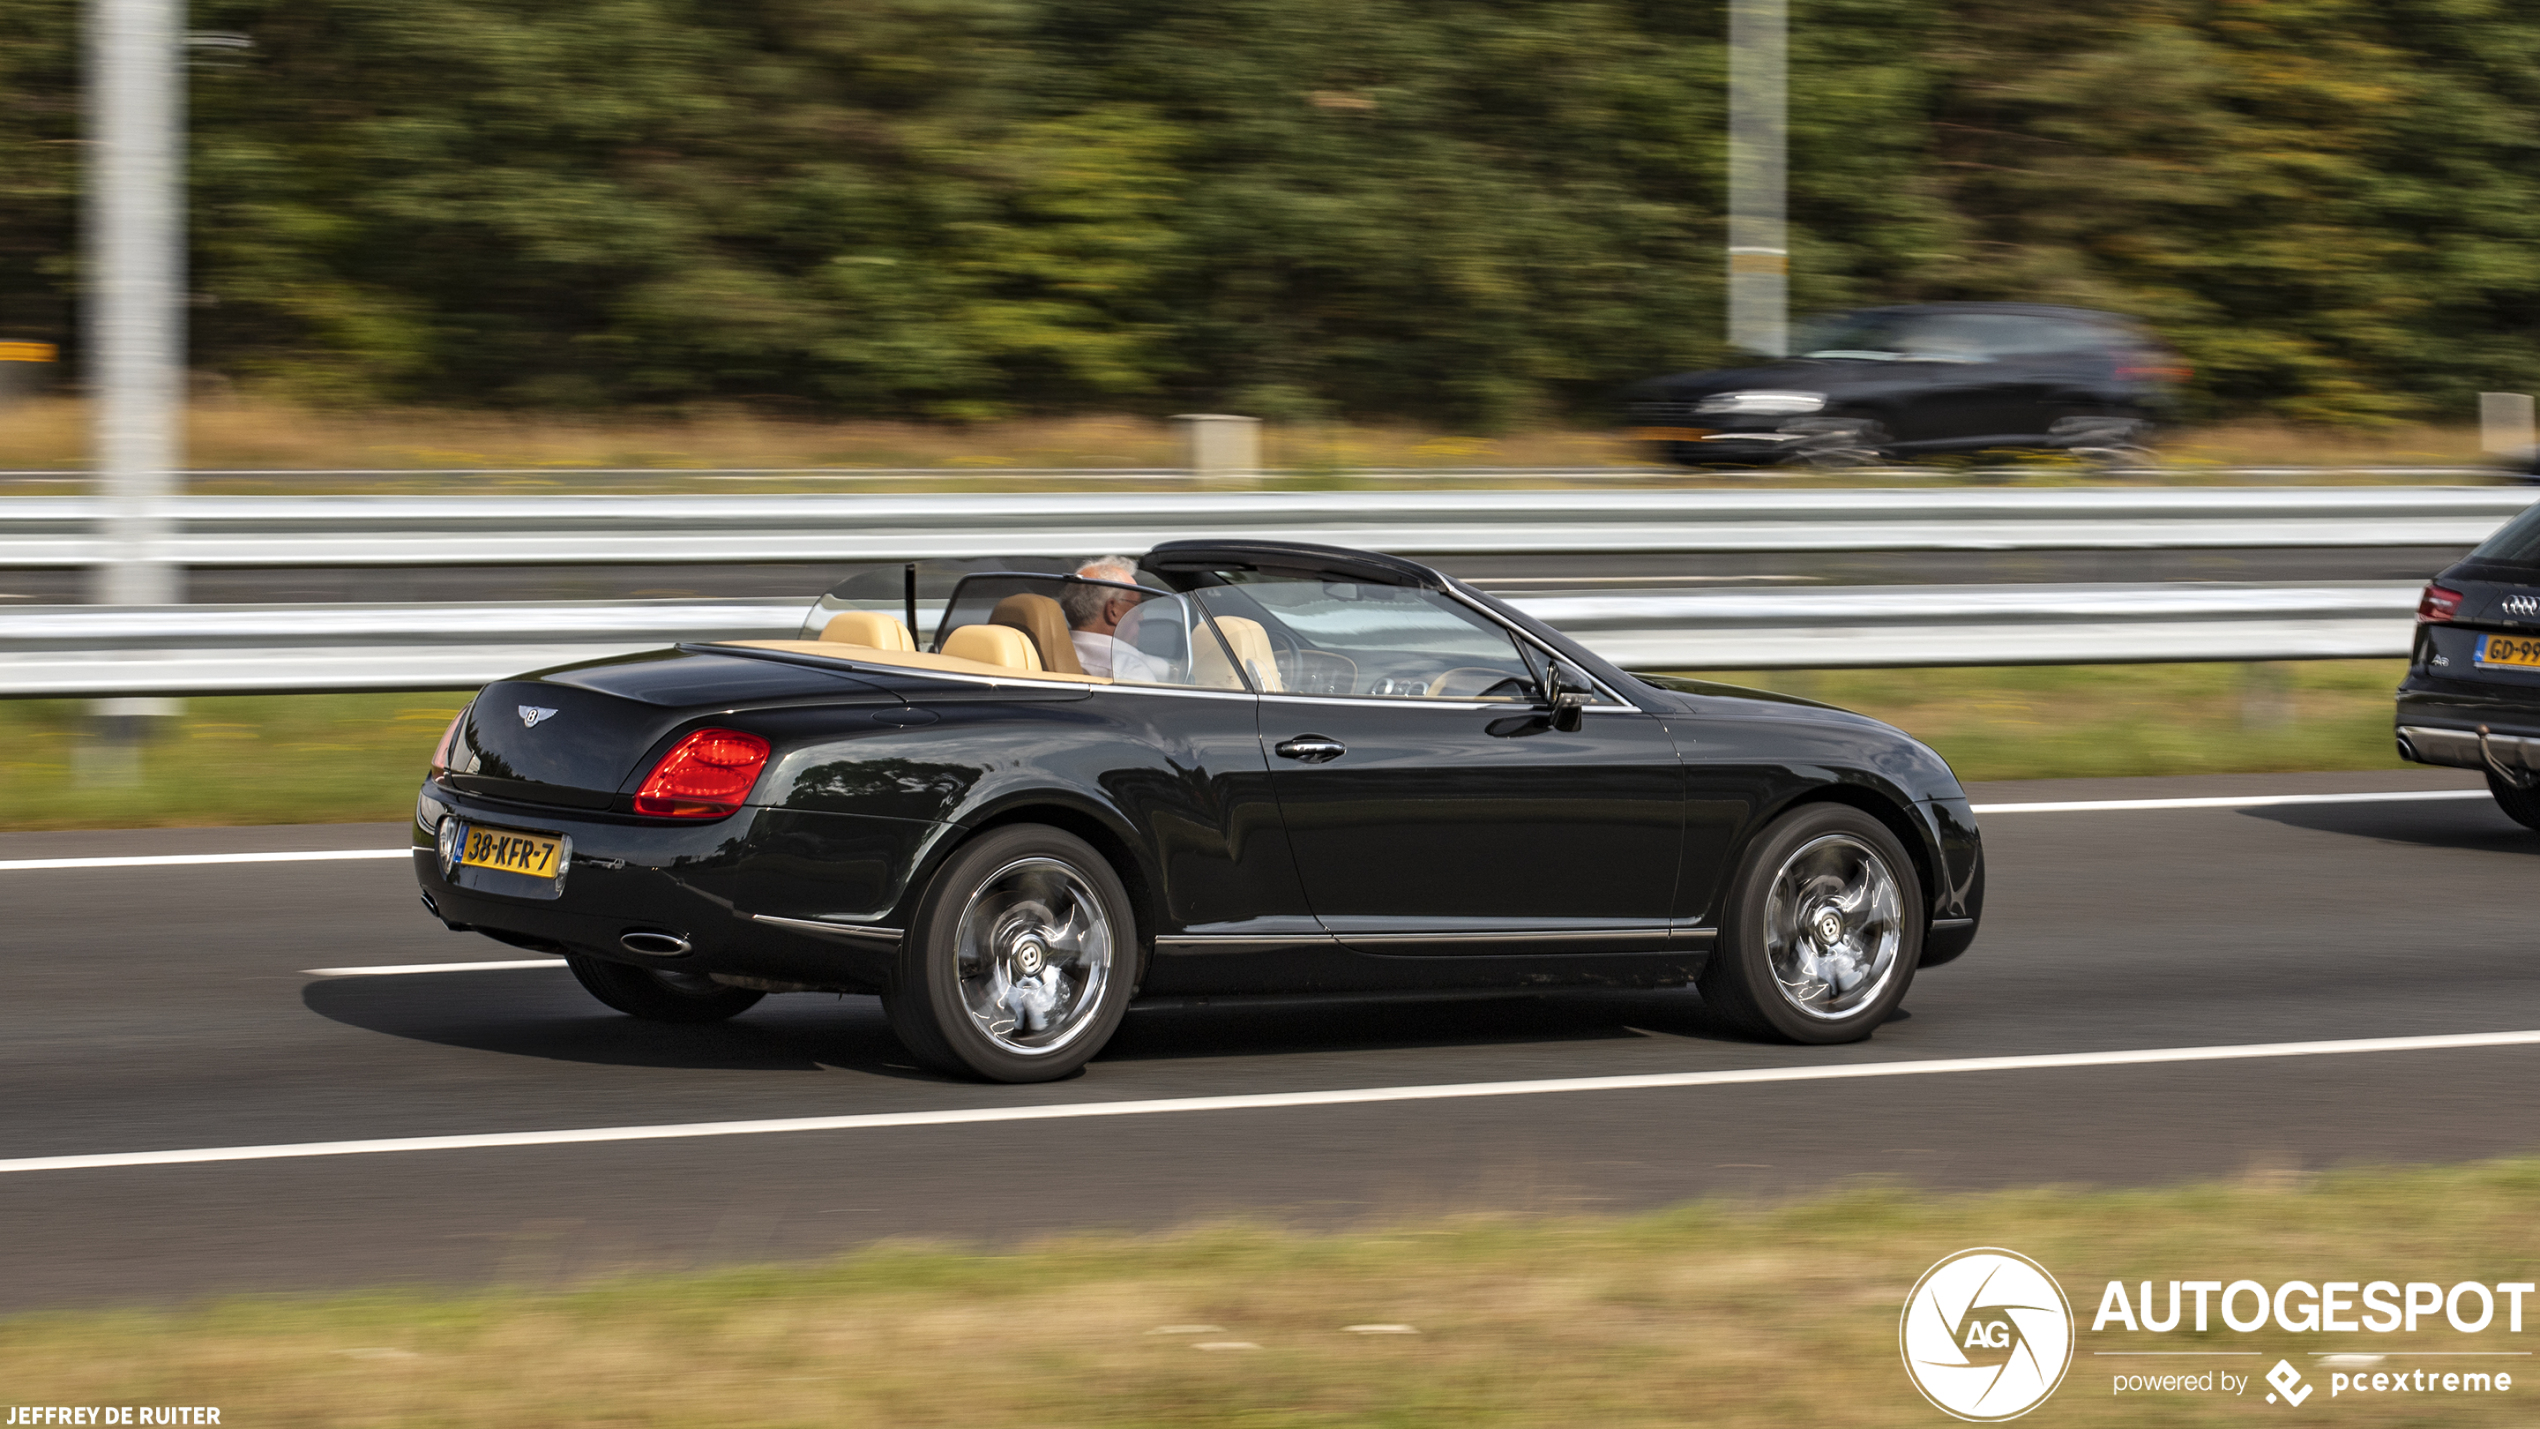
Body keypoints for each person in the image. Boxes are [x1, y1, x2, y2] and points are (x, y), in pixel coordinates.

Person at [1063, 557, 1169, 682]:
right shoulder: (1129, 670)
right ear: (1113, 610)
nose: (1141, 617)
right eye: (1136, 605)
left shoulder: (1045, 655)